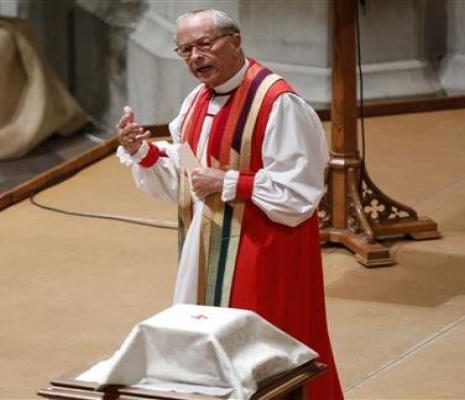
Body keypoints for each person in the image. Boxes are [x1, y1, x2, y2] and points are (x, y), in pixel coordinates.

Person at [116, 9, 343, 400]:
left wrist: (231, 182)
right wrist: (143, 151)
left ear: (235, 41)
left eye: (205, 44)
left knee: (265, 350)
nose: (195, 57)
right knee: (209, 340)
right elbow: (191, 177)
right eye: (185, 50)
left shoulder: (277, 101)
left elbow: (300, 190)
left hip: (265, 249)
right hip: (208, 247)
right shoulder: (196, 101)